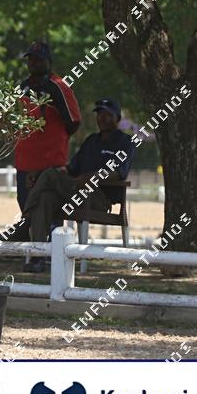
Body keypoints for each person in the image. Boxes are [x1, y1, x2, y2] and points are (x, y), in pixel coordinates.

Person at [21, 99, 134, 271]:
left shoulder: (125, 142)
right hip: (75, 192)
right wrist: (39, 173)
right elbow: (70, 169)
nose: (102, 118)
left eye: (107, 115)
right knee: (44, 198)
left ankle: (24, 221)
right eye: (99, 114)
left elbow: (119, 172)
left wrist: (91, 177)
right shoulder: (91, 141)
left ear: (117, 119)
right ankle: (38, 258)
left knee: (49, 175)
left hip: (98, 198)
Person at [12, 41, 81, 242]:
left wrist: (53, 140)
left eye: (39, 58)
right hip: (24, 163)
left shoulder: (58, 86)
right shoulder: (22, 87)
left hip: (50, 166)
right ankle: (33, 250)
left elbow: (74, 121)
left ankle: (49, 252)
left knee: (48, 210)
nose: (34, 62)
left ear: (48, 61)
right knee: (26, 207)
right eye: (31, 58)